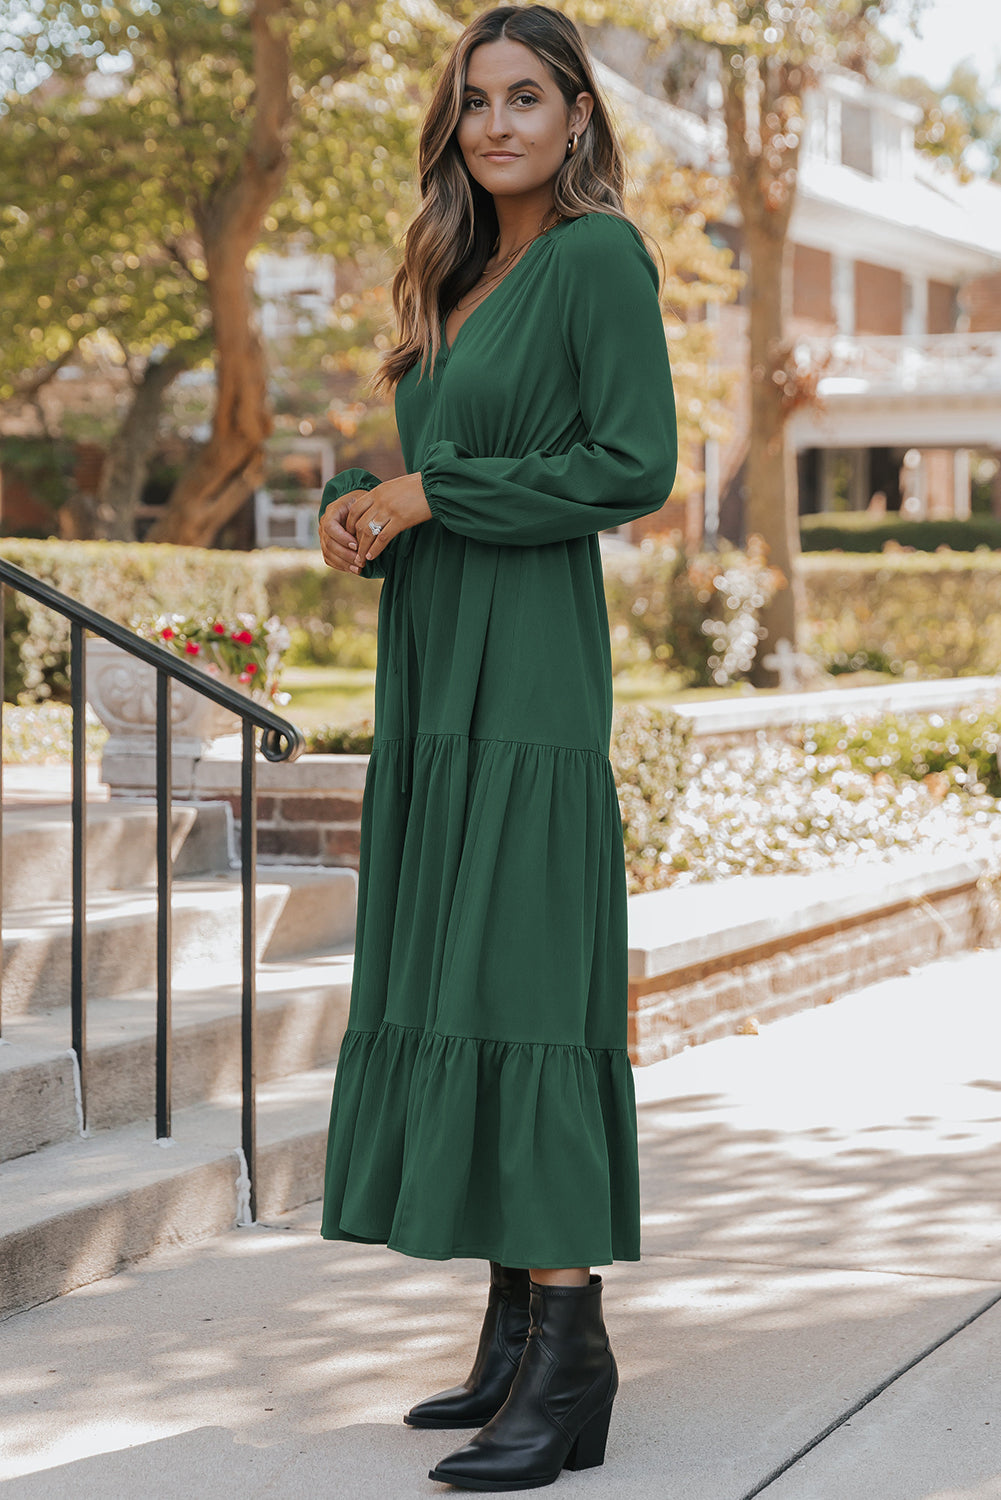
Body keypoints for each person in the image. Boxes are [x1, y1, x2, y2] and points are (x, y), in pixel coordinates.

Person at [317, 5, 677, 1490]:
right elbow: (431, 466)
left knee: (522, 972)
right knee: (450, 966)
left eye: (526, 97)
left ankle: (573, 1345)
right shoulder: (456, 269)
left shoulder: (597, 256)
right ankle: (511, 1324)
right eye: (475, 103)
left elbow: (629, 464)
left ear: (578, 114)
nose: (498, 124)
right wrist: (364, 500)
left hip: (525, 673)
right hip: (433, 670)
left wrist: (429, 496)